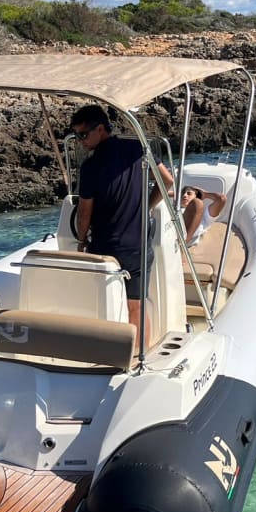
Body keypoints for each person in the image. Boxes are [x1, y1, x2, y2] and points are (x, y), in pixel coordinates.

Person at [70, 104, 172, 344]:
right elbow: (167, 181)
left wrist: (82, 241)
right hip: (138, 244)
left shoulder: (91, 167)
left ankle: (108, 354)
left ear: (101, 129)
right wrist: (147, 206)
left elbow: (85, 211)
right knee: (136, 307)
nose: (81, 141)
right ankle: (138, 359)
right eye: (77, 136)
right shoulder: (138, 148)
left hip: (106, 246)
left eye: (83, 135)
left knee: (104, 304)